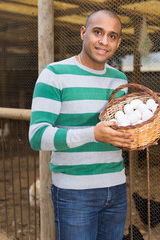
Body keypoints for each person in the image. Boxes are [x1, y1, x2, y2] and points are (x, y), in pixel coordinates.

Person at [29, 10, 134, 240]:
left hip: (116, 187)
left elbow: (116, 129)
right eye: (98, 32)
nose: (104, 41)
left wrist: (132, 137)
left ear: (118, 42)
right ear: (83, 33)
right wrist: (93, 134)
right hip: (74, 192)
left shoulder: (120, 80)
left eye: (112, 36)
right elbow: (37, 136)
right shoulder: (54, 74)